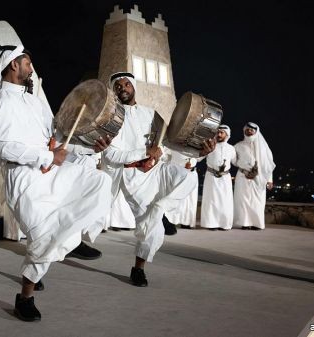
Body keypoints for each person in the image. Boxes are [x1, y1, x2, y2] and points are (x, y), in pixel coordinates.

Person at [0, 45, 112, 321]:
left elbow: (58, 141)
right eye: (28, 63)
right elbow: (4, 147)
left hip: (51, 172)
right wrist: (47, 155)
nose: (31, 68)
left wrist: (92, 149)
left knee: (97, 181)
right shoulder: (2, 101)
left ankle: (72, 237)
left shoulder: (35, 102)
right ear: (13, 65)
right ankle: (25, 298)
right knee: (43, 239)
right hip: (25, 179)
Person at [101, 72, 214, 287]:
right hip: (133, 177)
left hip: (157, 169)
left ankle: (160, 208)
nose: (122, 88)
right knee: (152, 230)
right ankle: (139, 269)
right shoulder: (110, 119)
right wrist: (145, 151)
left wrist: (202, 152)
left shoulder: (151, 114)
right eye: (117, 86)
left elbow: (170, 142)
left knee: (188, 178)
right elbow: (110, 155)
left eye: (126, 84)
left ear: (133, 87)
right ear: (114, 91)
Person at [233, 122, 275, 230]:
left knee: (258, 201)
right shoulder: (238, 146)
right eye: (247, 129)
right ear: (244, 131)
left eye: (252, 130)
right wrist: (244, 165)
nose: (249, 131)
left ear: (256, 131)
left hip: (259, 178)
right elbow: (233, 161)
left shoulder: (264, 148)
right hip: (243, 176)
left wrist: (269, 180)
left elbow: (268, 165)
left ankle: (257, 223)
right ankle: (245, 223)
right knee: (243, 201)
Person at [200, 125, 237, 230]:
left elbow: (235, 162)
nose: (219, 134)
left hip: (225, 178)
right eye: (218, 132)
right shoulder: (209, 146)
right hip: (211, 176)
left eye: (222, 132)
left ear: (227, 135)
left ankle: (224, 224)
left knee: (225, 201)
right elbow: (199, 158)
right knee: (211, 201)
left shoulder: (231, 148)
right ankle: (211, 224)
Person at [164, 150, 201, 230]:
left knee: (190, 200)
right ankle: (171, 221)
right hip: (177, 173)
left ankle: (186, 222)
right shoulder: (172, 143)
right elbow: (165, 154)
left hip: (192, 173)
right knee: (174, 197)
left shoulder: (198, 142)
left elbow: (200, 157)